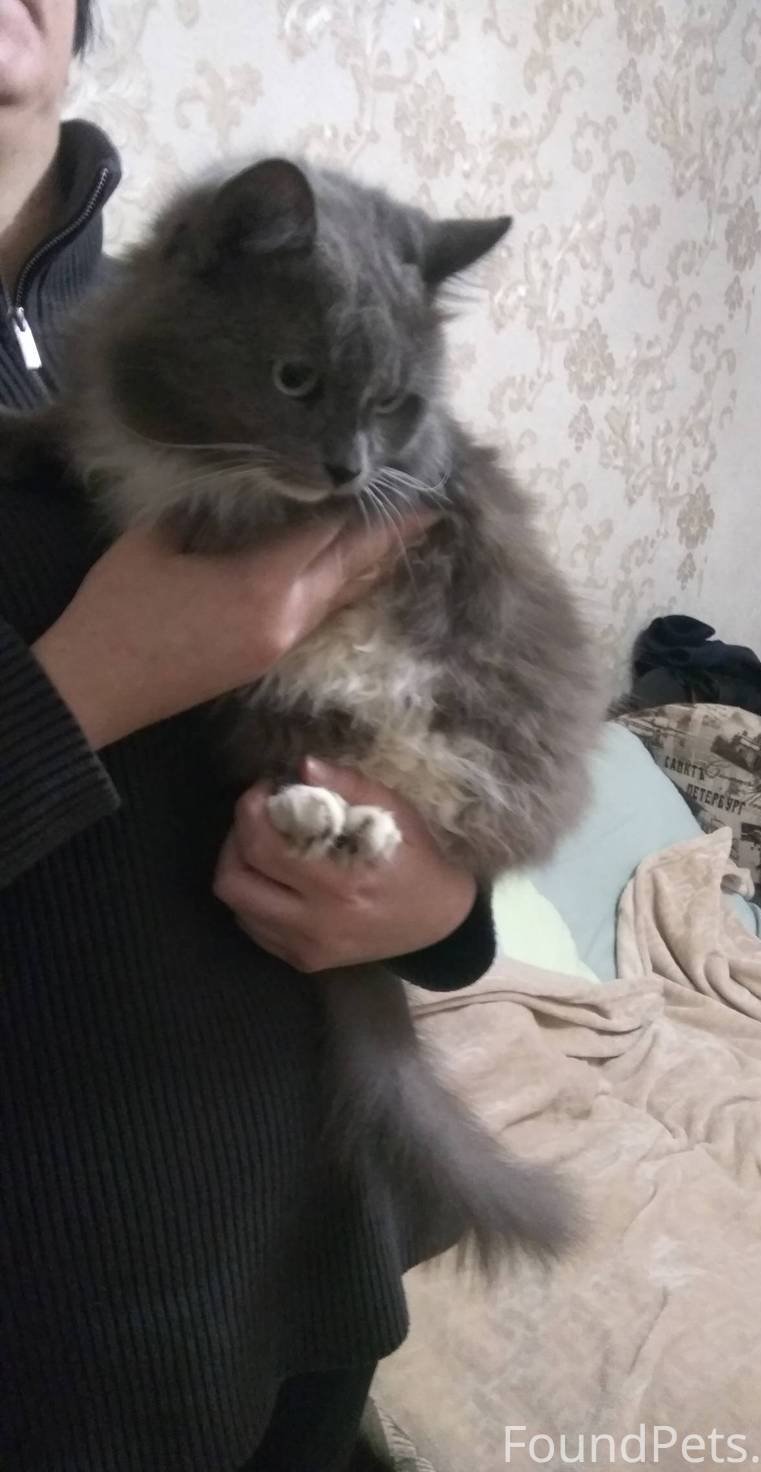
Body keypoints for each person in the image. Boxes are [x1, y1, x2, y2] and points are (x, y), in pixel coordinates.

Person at [0, 4, 495, 1468]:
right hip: (64, 1331)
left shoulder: (262, 309)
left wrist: (441, 902)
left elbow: (445, 696)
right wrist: (85, 681)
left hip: (317, 1245)